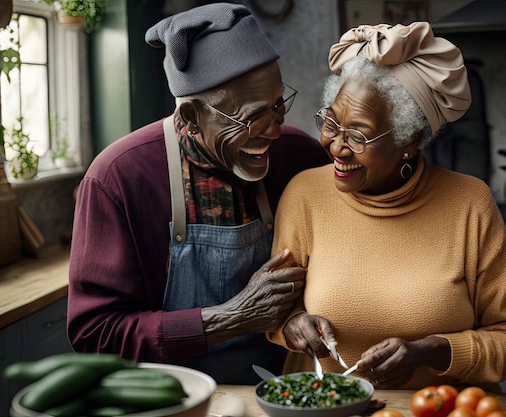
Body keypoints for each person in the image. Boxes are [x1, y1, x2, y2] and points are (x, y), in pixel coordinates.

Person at [267, 22, 506, 392]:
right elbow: (277, 310)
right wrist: (291, 325)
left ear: (408, 140)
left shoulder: (469, 205)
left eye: (359, 134)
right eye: (331, 122)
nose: (336, 147)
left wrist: (433, 351)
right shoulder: (304, 195)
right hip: (324, 406)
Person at [66, 3, 330, 385]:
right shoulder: (118, 178)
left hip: (285, 389)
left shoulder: (299, 155)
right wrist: (230, 317)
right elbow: (95, 334)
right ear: (191, 117)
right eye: (252, 118)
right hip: (171, 398)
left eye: (277, 106)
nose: (273, 130)